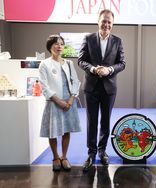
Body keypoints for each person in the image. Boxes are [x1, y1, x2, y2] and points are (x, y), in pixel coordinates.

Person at [78, 9, 126, 170]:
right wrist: (93, 69)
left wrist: (109, 70)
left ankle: (102, 151)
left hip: (109, 88)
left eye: (109, 22)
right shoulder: (88, 38)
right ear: (98, 21)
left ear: (112, 24)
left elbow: (122, 63)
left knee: (105, 120)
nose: (106, 24)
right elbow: (81, 60)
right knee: (92, 121)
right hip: (91, 87)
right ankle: (91, 153)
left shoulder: (118, 41)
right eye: (104, 21)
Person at [39, 34, 81, 171]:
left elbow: (76, 81)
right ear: (50, 47)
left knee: (66, 131)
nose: (59, 46)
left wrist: (70, 99)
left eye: (62, 44)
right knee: (53, 131)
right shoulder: (44, 64)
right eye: (56, 44)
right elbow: (44, 86)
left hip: (69, 102)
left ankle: (64, 157)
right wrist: (58, 101)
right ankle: (56, 157)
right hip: (53, 102)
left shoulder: (69, 63)